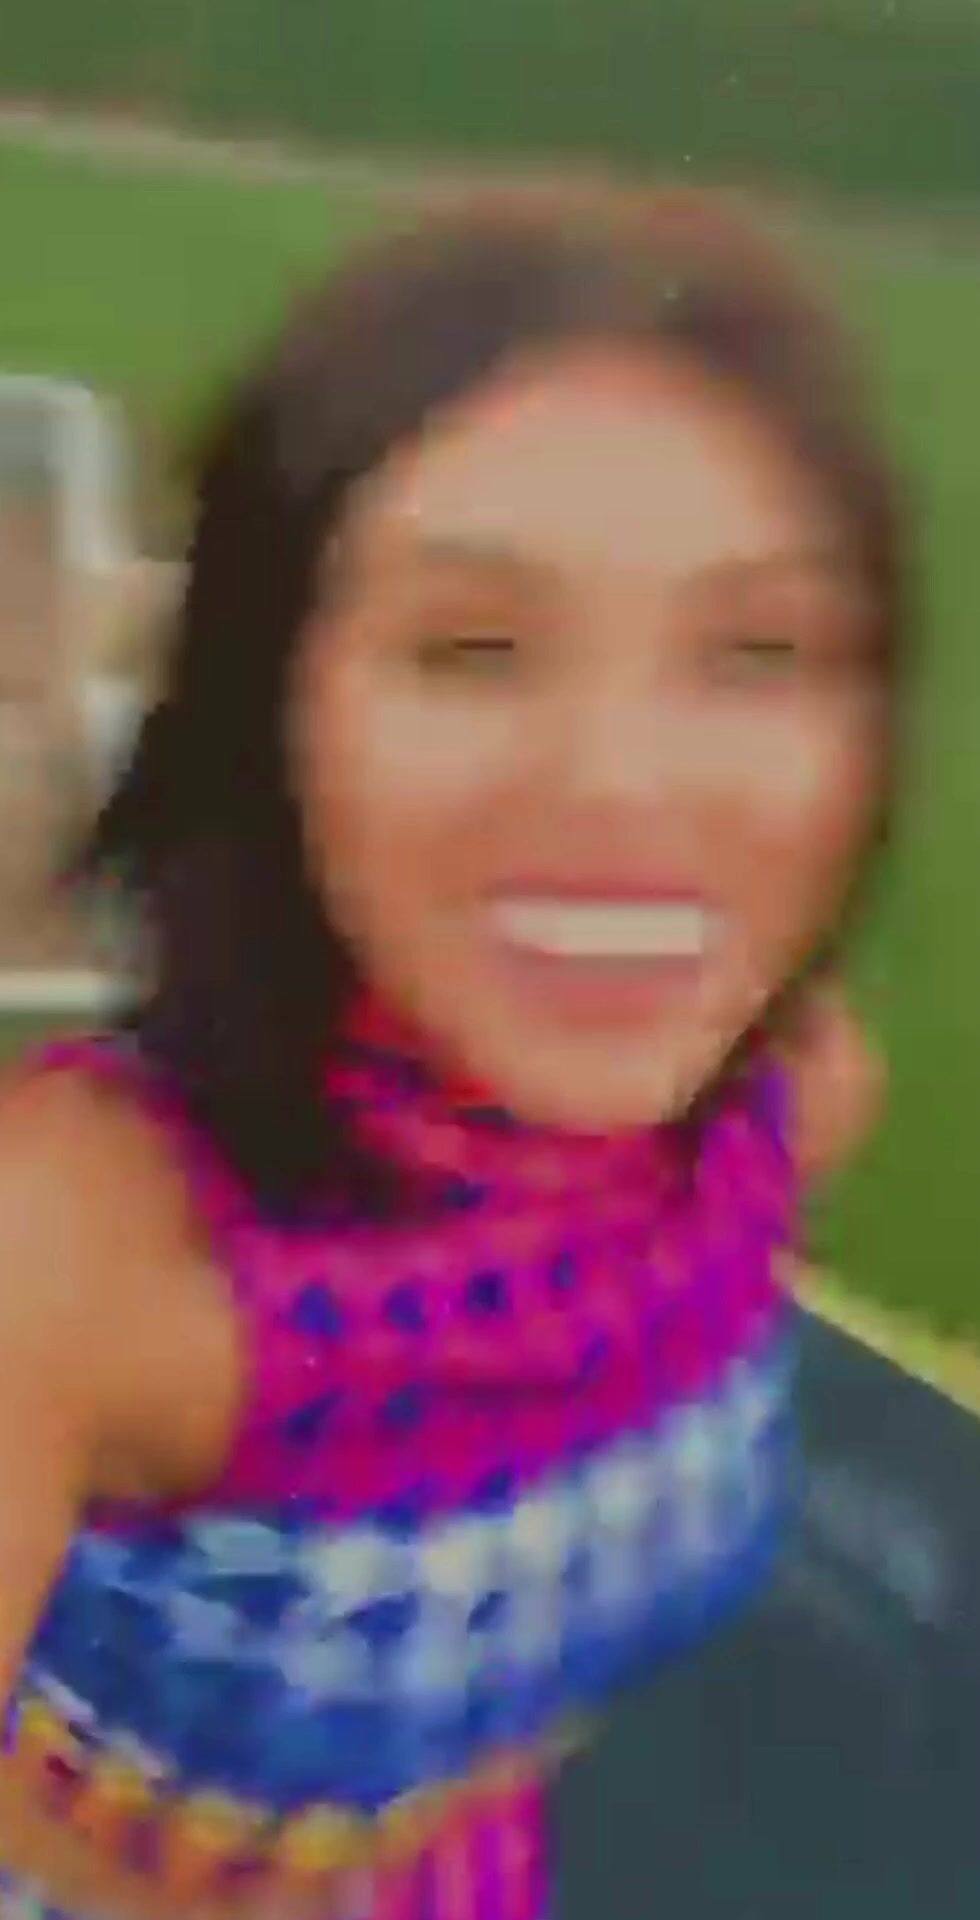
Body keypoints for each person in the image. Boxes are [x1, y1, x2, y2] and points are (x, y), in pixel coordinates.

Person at [0, 185, 896, 1920]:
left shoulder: (792, 1100)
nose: (623, 786)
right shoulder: (85, 1264)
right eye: (471, 649)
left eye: (758, 653)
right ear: (268, 711)